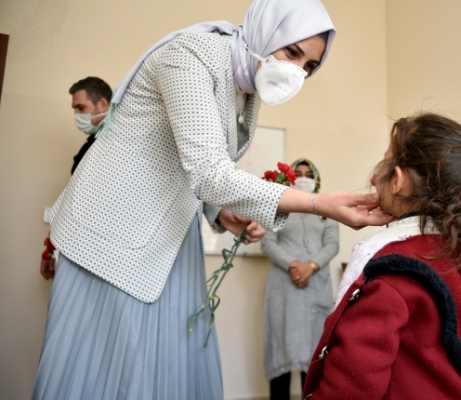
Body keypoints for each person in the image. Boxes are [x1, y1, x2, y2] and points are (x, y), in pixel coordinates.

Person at [32, 1, 390, 399]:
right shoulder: (191, 55)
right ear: (265, 30)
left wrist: (223, 212)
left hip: (166, 239)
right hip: (113, 234)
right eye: (292, 52)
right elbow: (208, 172)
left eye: (308, 66)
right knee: (108, 372)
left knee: (165, 368)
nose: (296, 71)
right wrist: (318, 203)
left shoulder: (245, 90)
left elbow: (190, 170)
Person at [303, 112, 461, 399]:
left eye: (384, 162)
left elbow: (351, 386)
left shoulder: (393, 271)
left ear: (398, 180)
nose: (373, 179)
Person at [260, 158, 339, 400]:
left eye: (309, 174)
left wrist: (311, 266)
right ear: (290, 178)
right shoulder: (278, 207)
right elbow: (267, 242)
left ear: (316, 180)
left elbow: (333, 245)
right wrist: (293, 265)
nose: (304, 178)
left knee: (314, 355)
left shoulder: (327, 209)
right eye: (298, 173)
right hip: (284, 289)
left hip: (316, 287)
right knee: (281, 349)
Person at [40, 76, 112, 280]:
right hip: (79, 247)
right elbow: (73, 203)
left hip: (102, 255)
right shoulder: (89, 147)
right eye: (74, 109)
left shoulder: (116, 147)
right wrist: (51, 249)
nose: (76, 115)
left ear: (103, 104)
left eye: (81, 108)